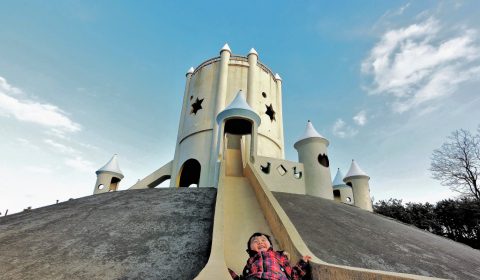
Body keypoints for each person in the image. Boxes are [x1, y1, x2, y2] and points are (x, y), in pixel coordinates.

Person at [229, 232, 311, 280]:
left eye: (263, 240)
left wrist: (302, 263)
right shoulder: (250, 261)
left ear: (270, 245)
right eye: (255, 241)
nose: (260, 242)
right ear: (250, 249)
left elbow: (293, 274)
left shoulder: (279, 256)